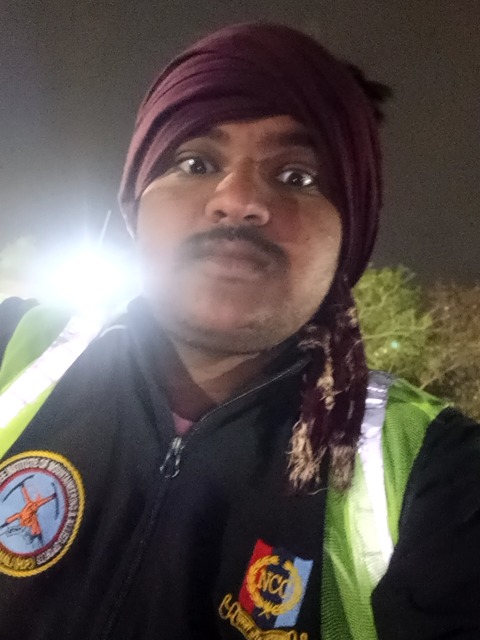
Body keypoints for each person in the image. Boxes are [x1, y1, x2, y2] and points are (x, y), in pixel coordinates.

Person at [0, 23, 478, 640]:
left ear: (350, 236)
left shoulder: (436, 477)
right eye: (195, 162)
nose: (238, 199)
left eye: (298, 176)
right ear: (134, 209)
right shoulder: (14, 350)